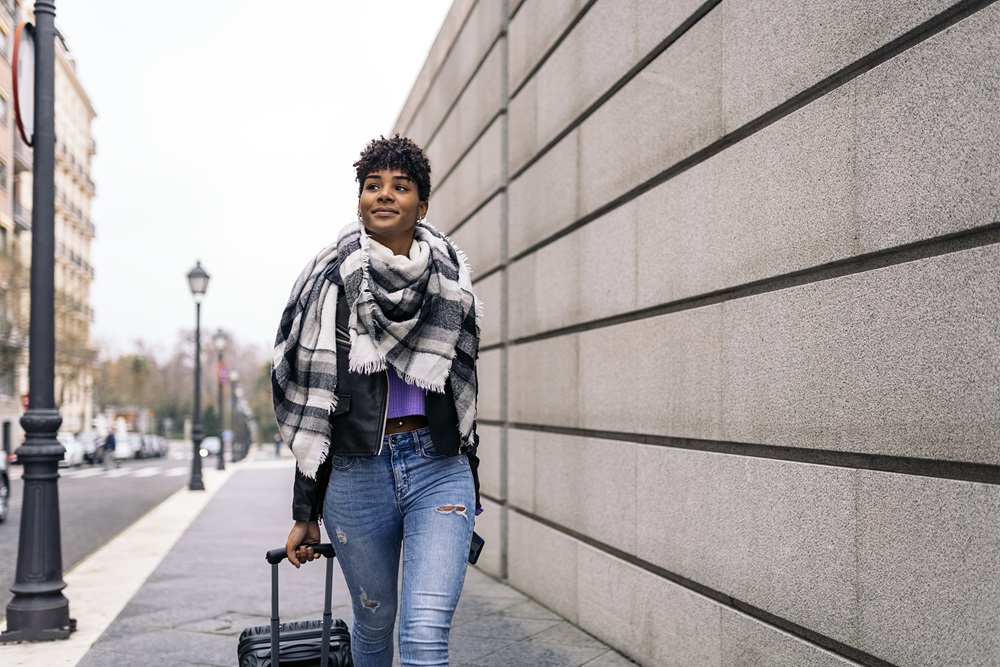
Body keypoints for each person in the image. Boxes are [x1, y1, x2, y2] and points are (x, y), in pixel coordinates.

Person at [273, 134, 482, 667]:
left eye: (400, 186)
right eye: (373, 185)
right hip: (355, 475)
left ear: (421, 205)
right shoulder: (329, 284)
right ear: (360, 200)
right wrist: (305, 511)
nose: (384, 194)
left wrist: (471, 473)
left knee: (425, 631)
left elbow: (464, 394)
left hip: (439, 469)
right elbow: (316, 406)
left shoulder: (451, 281)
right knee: (373, 622)